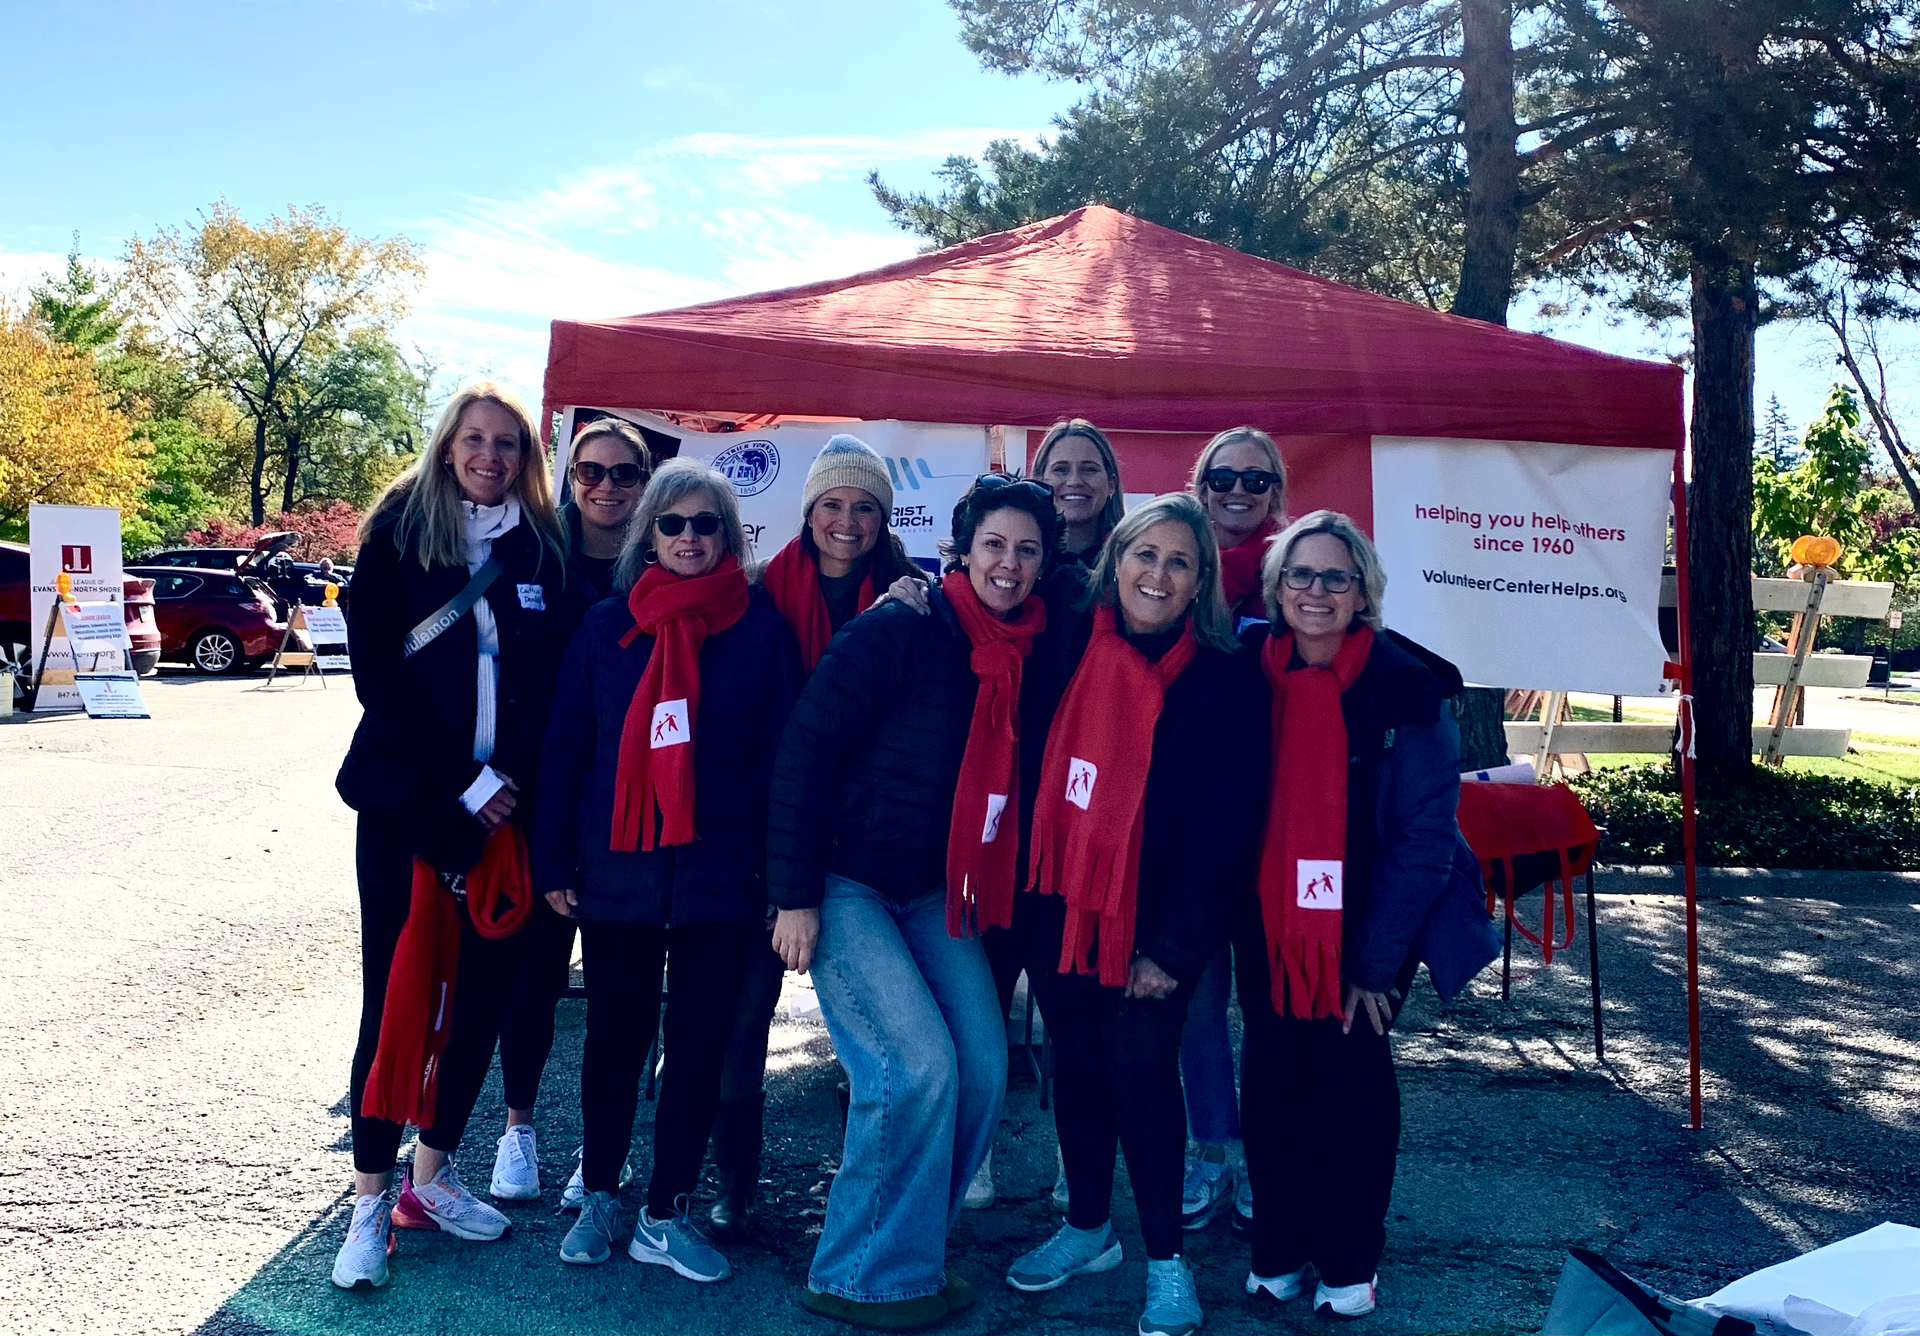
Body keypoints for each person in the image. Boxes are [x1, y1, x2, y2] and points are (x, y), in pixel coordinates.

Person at [767, 474, 1061, 1330]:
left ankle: (910, 1256)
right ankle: (856, 1273)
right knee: (912, 1064)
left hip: (932, 887)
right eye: (995, 544)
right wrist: (793, 898)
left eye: (1027, 549)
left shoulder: (1032, 645)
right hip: (844, 881)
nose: (1009, 564)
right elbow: (805, 754)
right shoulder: (901, 624)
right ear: (963, 548)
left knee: (982, 1059)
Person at [330, 380, 583, 1290]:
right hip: (412, 808)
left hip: (499, 816)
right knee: (394, 999)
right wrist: (466, 784)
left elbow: (549, 684)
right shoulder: (396, 536)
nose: (490, 457)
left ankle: (429, 1179)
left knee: (479, 999)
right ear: (447, 447)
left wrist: (504, 782)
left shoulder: (541, 550)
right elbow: (379, 685)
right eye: (474, 440)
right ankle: (366, 1202)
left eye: (507, 444)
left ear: (526, 457)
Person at [1004, 492, 1268, 1336]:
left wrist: (1173, 949)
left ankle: (1167, 1264)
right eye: (1143, 555)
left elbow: (1226, 833)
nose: (1158, 573)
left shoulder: (1224, 678)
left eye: (1179, 561)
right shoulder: (1064, 644)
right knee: (1074, 1066)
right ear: (1113, 562)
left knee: (1145, 1080)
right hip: (1057, 902)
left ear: (1200, 584)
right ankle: (1087, 1229)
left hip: (1150, 932)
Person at [534, 459, 800, 1281]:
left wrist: (778, 879)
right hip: (618, 876)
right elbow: (567, 748)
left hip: (722, 882)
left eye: (705, 524)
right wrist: (551, 856)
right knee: (615, 1042)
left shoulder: (759, 630)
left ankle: (664, 1209)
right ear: (648, 534)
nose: (689, 538)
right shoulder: (607, 626)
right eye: (673, 524)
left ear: (729, 536)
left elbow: (780, 764)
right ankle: (605, 1192)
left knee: (695, 1048)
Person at [1236, 510, 1496, 1320]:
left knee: (1347, 1081)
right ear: (1277, 588)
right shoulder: (1248, 670)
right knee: (1275, 1078)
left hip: (1369, 925)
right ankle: (1279, 1245)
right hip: (1269, 919)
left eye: (1335, 577)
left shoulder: (1409, 689)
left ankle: (1350, 1255)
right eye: (1301, 575)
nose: (1316, 592)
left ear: (1364, 594)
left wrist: (1374, 965)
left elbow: (1424, 838)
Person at [708, 434, 926, 1238]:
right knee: (744, 1015)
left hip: (865, 845)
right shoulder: (762, 596)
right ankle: (735, 1179)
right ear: (807, 512)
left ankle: (861, 1185)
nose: (847, 521)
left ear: (883, 515)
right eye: (832, 504)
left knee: (867, 1031)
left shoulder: (911, 599)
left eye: (864, 506)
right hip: (768, 839)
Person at [489, 413, 653, 1206]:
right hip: (542, 800)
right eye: (592, 471)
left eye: (625, 473)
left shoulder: (666, 565)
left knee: (622, 998)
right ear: (570, 478)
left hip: (633, 819)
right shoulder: (537, 561)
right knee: (534, 978)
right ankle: (517, 1126)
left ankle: (603, 1150)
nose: (608, 486)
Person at [1177, 424, 1290, 1233]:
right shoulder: (1175, 564)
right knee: (1196, 1000)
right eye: (1223, 478)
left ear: (1274, 490)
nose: (1238, 492)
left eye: (1254, 480)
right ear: (1202, 485)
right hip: (1193, 821)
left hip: (1280, 818)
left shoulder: (1301, 570)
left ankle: (1268, 1156)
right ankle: (1212, 1149)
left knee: (1272, 1004)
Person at [1032, 419, 1125, 568]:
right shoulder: (1016, 559)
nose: (1074, 481)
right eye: (1061, 469)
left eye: (1089, 469)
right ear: (1038, 482)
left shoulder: (1132, 559)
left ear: (1111, 484)